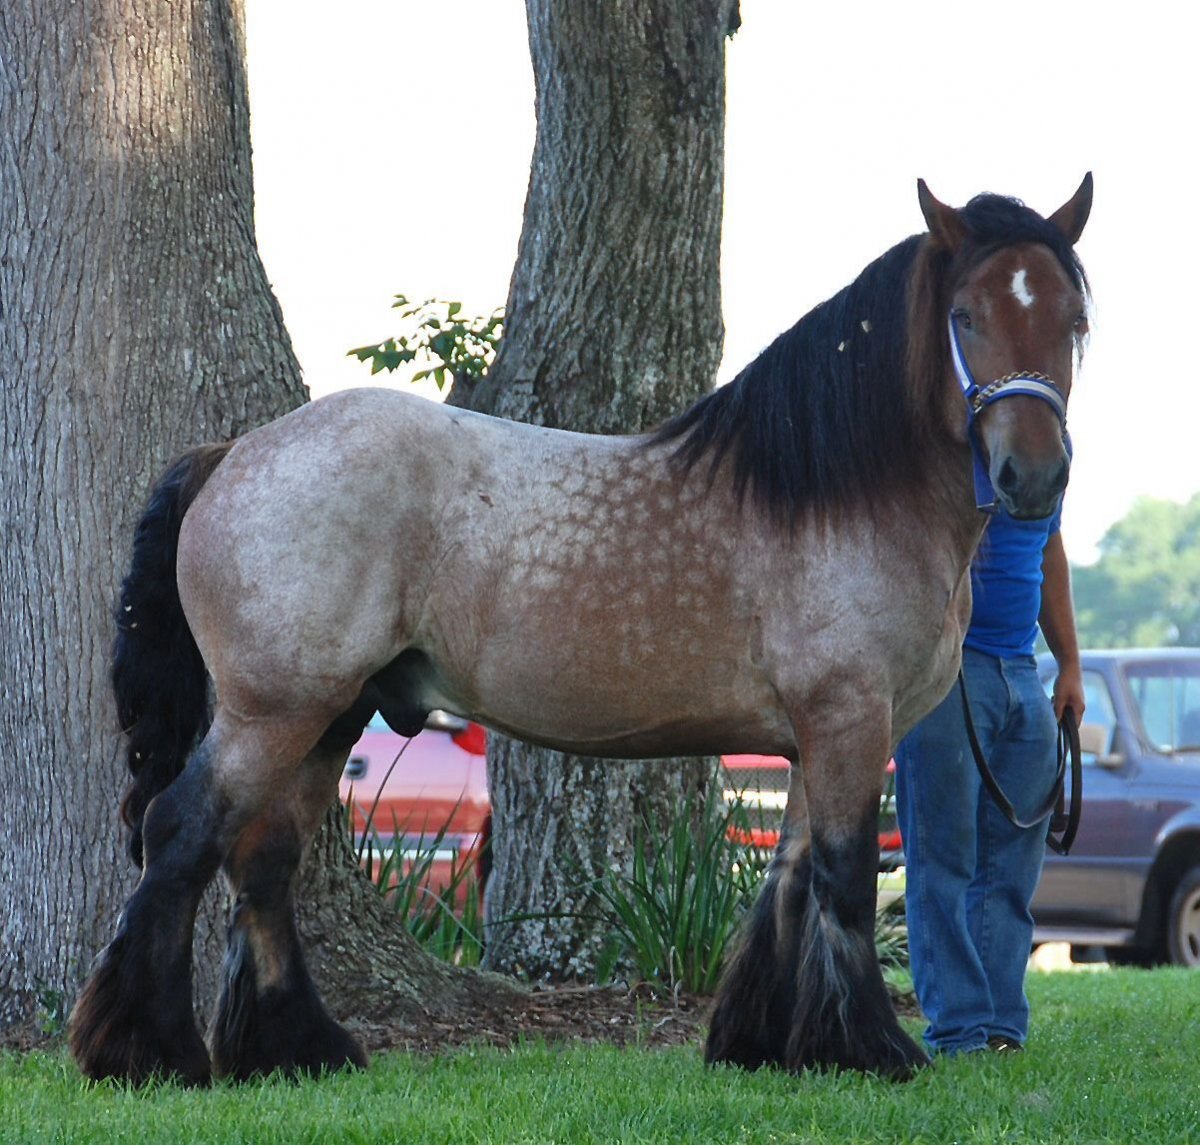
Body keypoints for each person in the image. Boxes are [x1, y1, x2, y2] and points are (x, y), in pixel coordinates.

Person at [895, 503, 1084, 1056]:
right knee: (943, 860)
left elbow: (1049, 548)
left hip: (1022, 670)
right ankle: (959, 1032)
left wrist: (1070, 663)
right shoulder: (951, 433)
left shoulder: (1050, 449)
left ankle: (1001, 1027)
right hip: (948, 668)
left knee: (1013, 868)